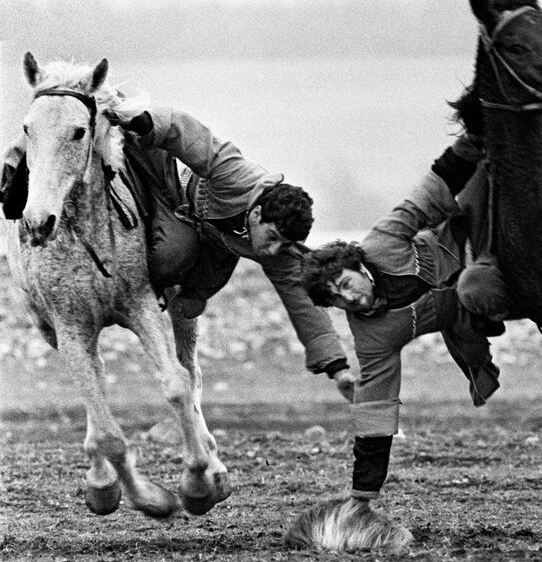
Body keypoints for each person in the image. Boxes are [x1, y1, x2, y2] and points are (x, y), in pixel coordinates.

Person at [301, 76, 542, 501]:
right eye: (336, 301)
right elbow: (376, 404)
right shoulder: (373, 336)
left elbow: (429, 194)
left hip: (475, 233)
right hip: (483, 299)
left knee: (508, 163)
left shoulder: (381, 243)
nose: (349, 299)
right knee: (474, 291)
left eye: (345, 285)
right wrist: (363, 498)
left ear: (358, 266)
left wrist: (474, 138)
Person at [1, 102, 356, 400]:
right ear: (259, 212)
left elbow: (301, 300)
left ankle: (187, 297)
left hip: (210, 244)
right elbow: (188, 133)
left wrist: (336, 366)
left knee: (189, 297)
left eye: (282, 244)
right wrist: (147, 122)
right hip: (170, 190)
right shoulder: (233, 172)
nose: (273, 249)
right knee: (171, 252)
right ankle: (16, 162)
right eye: (274, 237)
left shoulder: (277, 248)